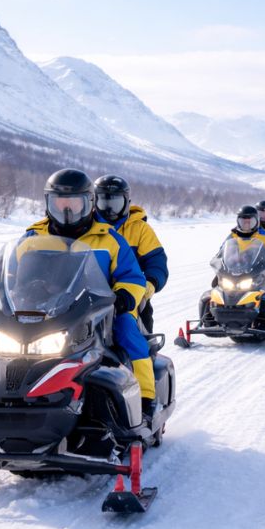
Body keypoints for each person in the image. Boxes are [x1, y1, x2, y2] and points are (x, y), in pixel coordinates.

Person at [25, 169, 156, 419]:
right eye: (59, 203)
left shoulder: (109, 239)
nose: (66, 211)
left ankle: (145, 399)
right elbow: (10, 275)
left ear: (89, 203)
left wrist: (124, 297)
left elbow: (132, 277)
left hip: (97, 313)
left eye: (73, 204)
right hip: (44, 312)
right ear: (47, 203)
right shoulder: (33, 237)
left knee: (128, 330)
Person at [93, 175, 168, 334]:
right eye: (104, 202)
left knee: (138, 334)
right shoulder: (86, 227)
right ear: (94, 201)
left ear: (126, 202)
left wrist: (150, 283)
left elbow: (157, 261)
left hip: (129, 295)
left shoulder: (139, 228)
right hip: (90, 297)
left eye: (115, 203)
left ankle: (146, 356)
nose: (109, 209)